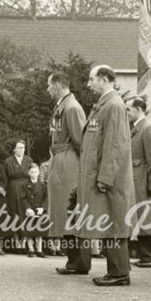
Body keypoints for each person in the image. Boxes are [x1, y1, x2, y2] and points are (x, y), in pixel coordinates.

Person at [76, 65, 135, 286]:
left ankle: (119, 273)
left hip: (110, 179)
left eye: (91, 79)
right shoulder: (105, 105)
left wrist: (105, 177)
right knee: (110, 221)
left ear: (103, 79)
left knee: (115, 222)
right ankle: (116, 271)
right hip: (103, 176)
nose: (88, 84)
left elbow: (115, 145)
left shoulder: (113, 106)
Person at [47, 73, 88, 273]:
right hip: (61, 161)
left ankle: (79, 262)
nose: (48, 90)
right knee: (63, 213)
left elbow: (82, 142)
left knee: (70, 212)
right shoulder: (64, 106)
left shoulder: (71, 108)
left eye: (49, 86)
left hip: (69, 165)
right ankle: (73, 261)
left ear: (57, 85)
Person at [127, 97, 151, 268]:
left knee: (147, 217)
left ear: (139, 109)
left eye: (129, 110)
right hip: (137, 179)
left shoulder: (146, 129)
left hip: (143, 179)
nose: (127, 113)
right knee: (140, 217)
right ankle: (145, 254)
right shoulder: (137, 128)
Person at [4, 140, 34, 252]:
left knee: (25, 214)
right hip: (12, 190)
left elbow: (32, 175)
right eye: (19, 148)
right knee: (14, 215)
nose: (21, 150)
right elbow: (5, 178)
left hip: (26, 190)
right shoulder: (8, 161)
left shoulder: (29, 160)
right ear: (14, 149)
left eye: (22, 148)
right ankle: (16, 243)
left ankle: (24, 242)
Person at [20, 163, 48, 257]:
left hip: (39, 210)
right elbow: (23, 198)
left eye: (36, 172)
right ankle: (31, 249)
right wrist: (27, 208)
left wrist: (43, 208)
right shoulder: (24, 185)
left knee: (39, 230)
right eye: (32, 172)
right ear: (28, 173)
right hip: (29, 210)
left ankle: (39, 249)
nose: (34, 174)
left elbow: (46, 198)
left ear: (38, 172)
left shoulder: (43, 185)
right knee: (29, 230)